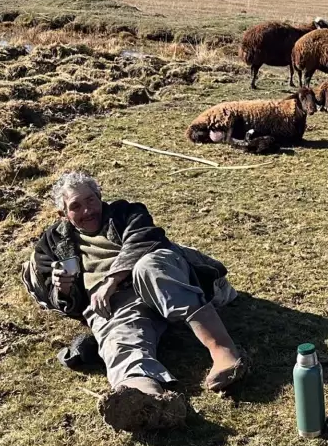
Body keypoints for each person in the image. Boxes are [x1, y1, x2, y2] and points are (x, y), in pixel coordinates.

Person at [20, 171, 247, 431]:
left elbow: (146, 240)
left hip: (157, 279)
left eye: (91, 200)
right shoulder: (52, 242)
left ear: (100, 197)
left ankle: (223, 351)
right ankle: (145, 398)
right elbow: (52, 290)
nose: (87, 210)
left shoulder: (126, 212)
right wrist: (63, 289)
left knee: (149, 266)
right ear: (63, 214)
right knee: (118, 338)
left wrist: (111, 280)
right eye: (76, 206)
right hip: (117, 302)